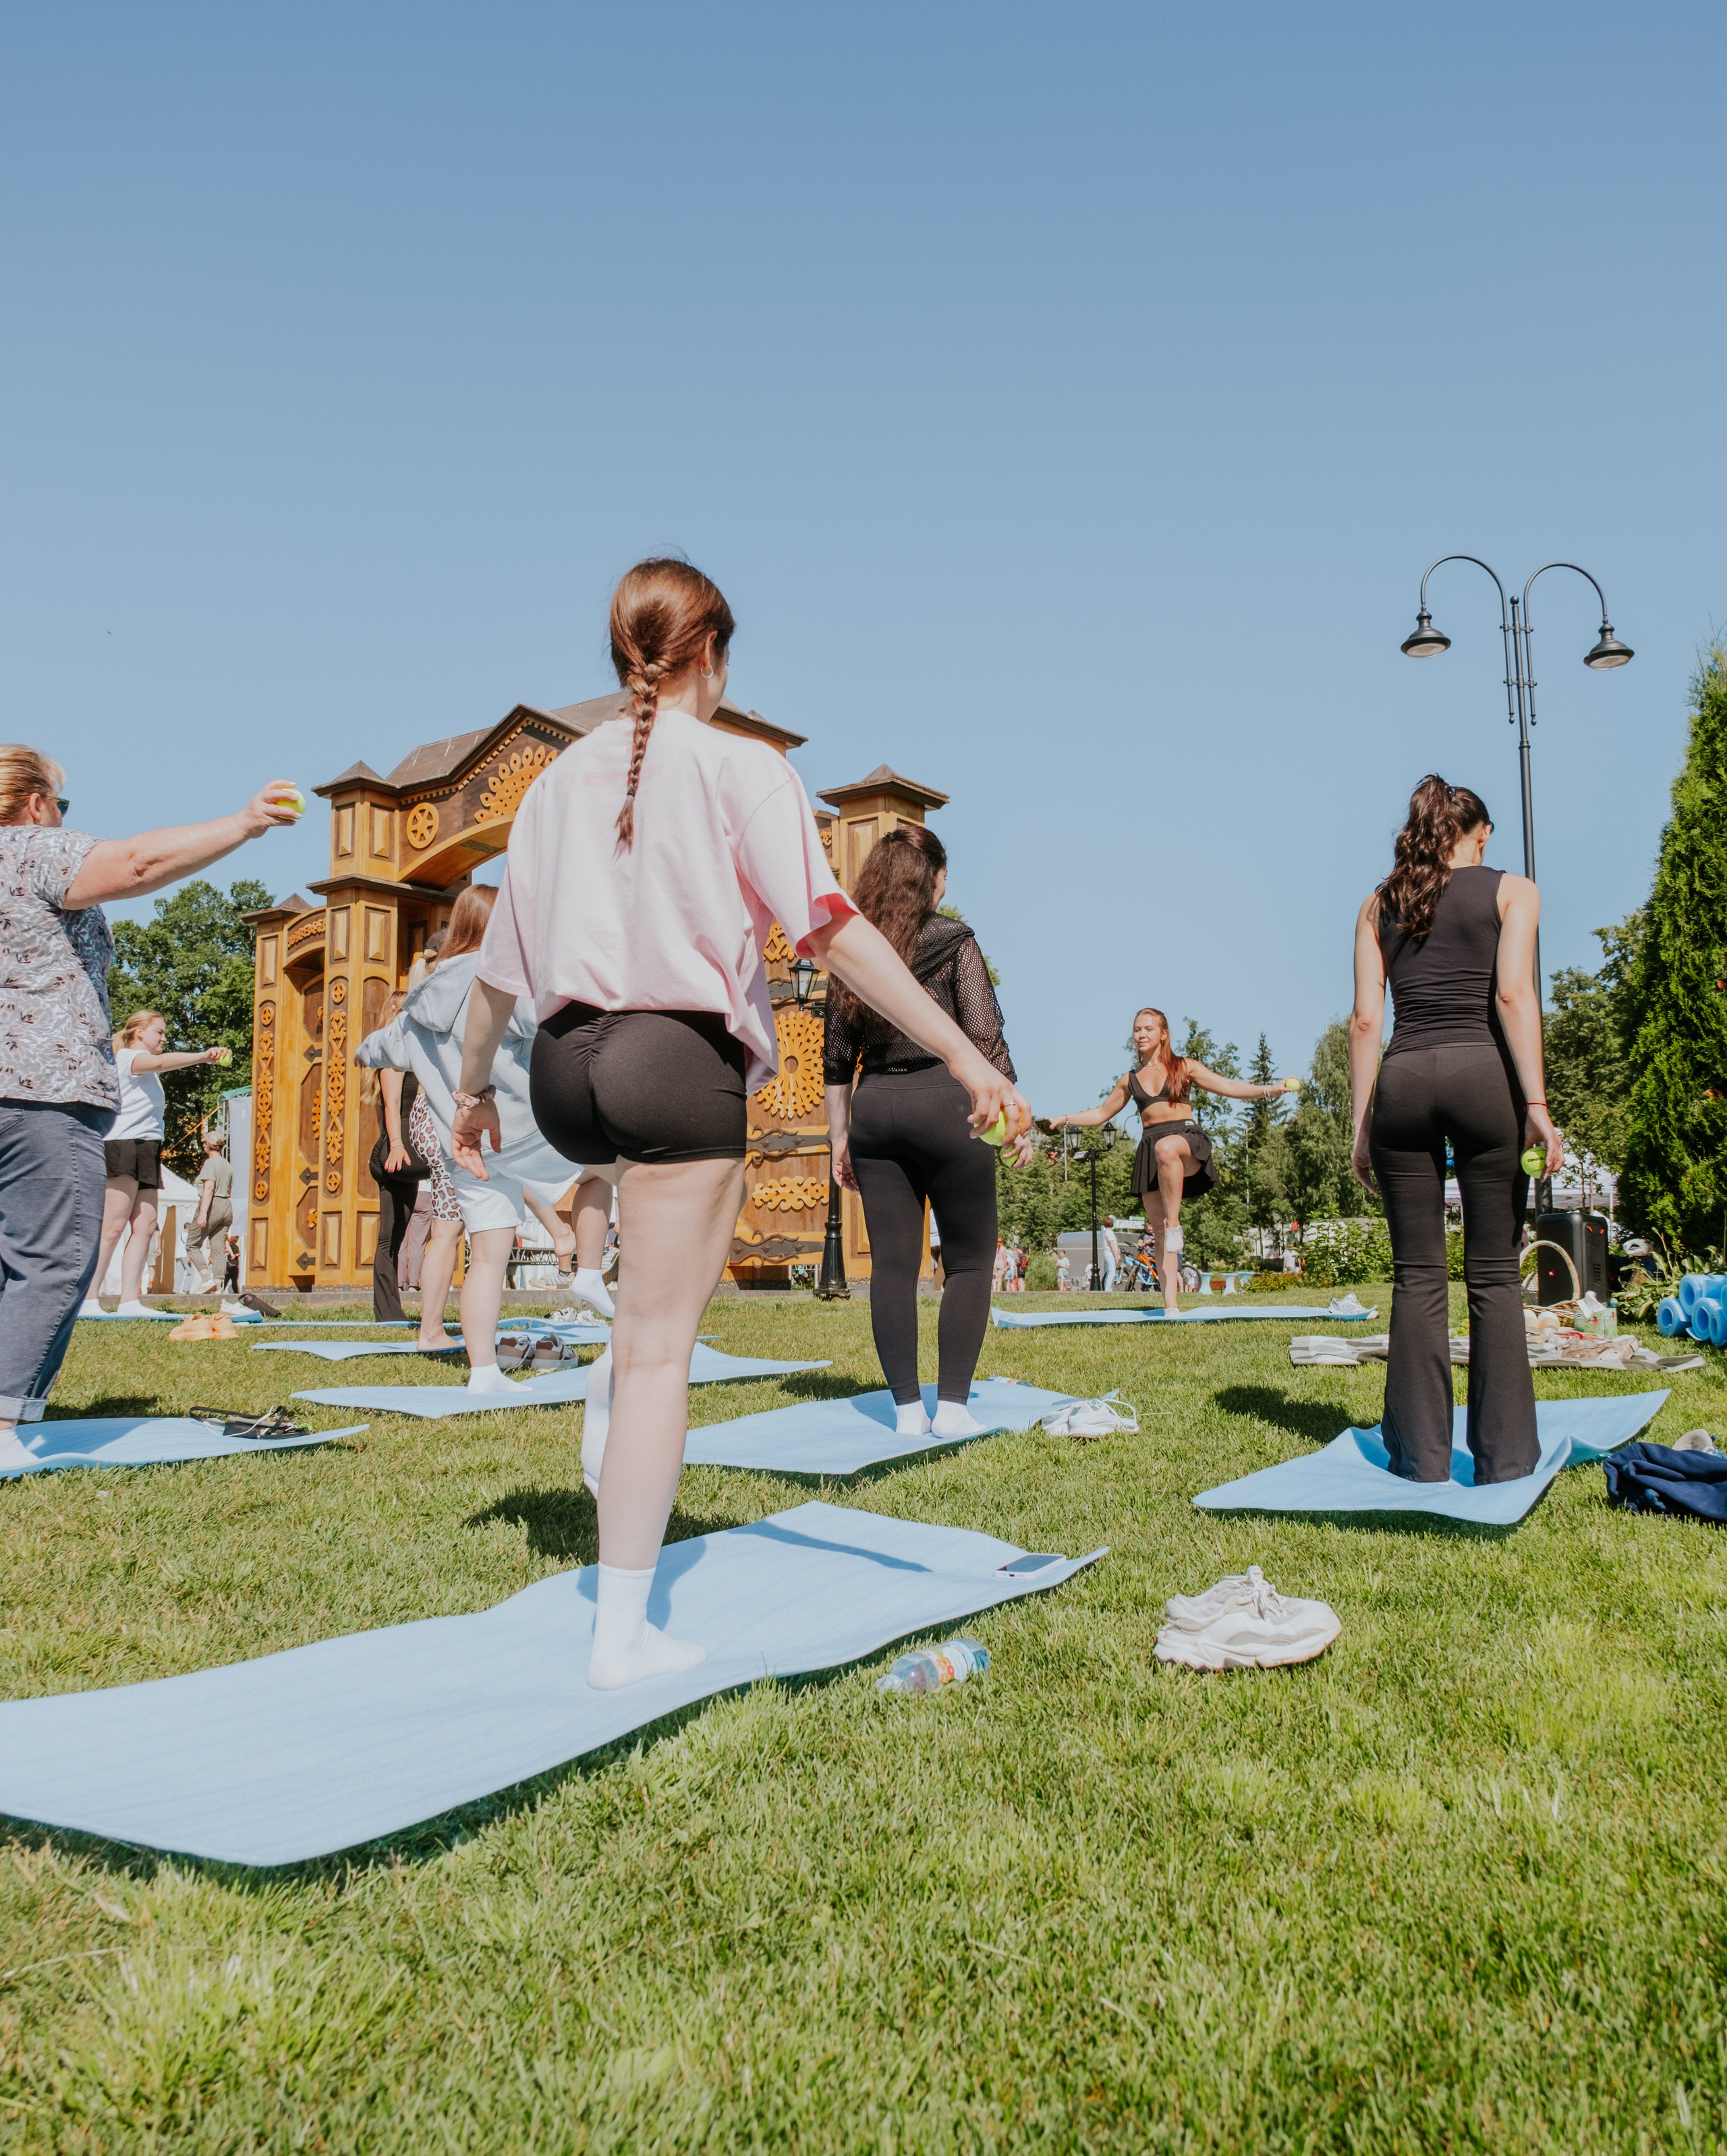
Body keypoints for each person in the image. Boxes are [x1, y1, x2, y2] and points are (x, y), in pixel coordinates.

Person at [458, 558, 1027, 1690]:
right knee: (665, 1346)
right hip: (675, 1062)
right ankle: (622, 1634)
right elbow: (838, 936)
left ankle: (606, 1425)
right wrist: (966, 1053)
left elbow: (495, 978)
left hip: (565, 1071)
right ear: (710, 655)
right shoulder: (741, 766)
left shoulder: (555, 786)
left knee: (639, 1318)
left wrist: (473, 1090)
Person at [0, 745, 296, 1465]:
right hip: (42, 1090)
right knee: (56, 1255)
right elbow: (134, 864)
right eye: (59, 806)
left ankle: (21, 1407)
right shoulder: (27, 848)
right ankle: (4, 1423)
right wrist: (244, 823)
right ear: (36, 802)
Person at [1348, 776, 1559, 1484]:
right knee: (1495, 1276)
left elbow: (1365, 1022)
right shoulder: (1513, 890)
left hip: (1402, 1086)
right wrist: (1535, 1103)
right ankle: (1504, 1460)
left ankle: (1421, 1461)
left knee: (1417, 1276)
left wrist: (1359, 1125)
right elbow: (1512, 993)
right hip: (1481, 1080)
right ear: (1474, 834)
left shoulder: (1378, 904)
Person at [823, 825, 1031, 1439]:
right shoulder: (953, 940)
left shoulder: (852, 951)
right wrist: (1014, 1113)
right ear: (932, 879)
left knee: (892, 1267)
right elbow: (985, 1033)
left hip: (877, 1106)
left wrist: (840, 1136)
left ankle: (908, 1411)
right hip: (947, 1104)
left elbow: (836, 1055)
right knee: (968, 1263)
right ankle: (956, 1409)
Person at [358, 884, 580, 1380]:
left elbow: (376, 1049)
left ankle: (483, 1374)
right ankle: (583, 1268)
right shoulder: (507, 984)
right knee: (627, 1169)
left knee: (484, 1259)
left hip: (464, 1150)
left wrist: (368, 1050)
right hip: (524, 1129)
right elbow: (547, 1024)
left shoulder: (419, 1005)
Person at [1050, 1009, 1289, 1313]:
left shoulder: (1183, 1066)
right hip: (1151, 1150)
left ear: (1163, 1033)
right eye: (1137, 1030)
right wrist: (1066, 1119)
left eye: (1149, 1028)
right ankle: (1171, 1307)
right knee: (1159, 1233)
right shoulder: (1130, 1079)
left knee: (1167, 1152)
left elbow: (1228, 1086)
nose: (1142, 1034)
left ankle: (1175, 1224)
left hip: (1184, 1140)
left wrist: (1269, 1090)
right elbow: (1099, 1114)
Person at [82, 1011, 229, 1318]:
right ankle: (88, 1299)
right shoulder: (127, 1059)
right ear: (138, 1032)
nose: (164, 1038)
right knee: (112, 1227)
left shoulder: (147, 1070)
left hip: (147, 1148)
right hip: (124, 1146)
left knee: (146, 1225)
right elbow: (161, 1062)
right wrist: (204, 1056)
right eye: (159, 1032)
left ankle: (129, 1302)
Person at [366, 994, 428, 1322]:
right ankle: (386, 1312)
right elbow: (390, 1106)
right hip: (396, 1151)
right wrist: (398, 1144)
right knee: (389, 1237)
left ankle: (391, 1310)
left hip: (405, 1147)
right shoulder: (392, 1056)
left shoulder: (414, 1053)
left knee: (397, 1235)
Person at [186, 1129, 235, 1292]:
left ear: (207, 1145)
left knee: (192, 1244)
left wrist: (202, 1213)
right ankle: (218, 1282)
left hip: (213, 1204)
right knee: (218, 1245)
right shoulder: (227, 1165)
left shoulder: (210, 1163)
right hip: (227, 1206)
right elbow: (229, 1190)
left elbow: (209, 1188)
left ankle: (206, 1279)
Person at [1100, 1215, 1121, 1293]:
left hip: (1107, 1254)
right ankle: (1107, 1291)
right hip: (1110, 1254)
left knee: (1109, 1273)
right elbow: (1112, 1245)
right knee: (1112, 1274)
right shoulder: (1109, 1232)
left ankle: (1109, 1290)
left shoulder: (1105, 1232)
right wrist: (1116, 1256)